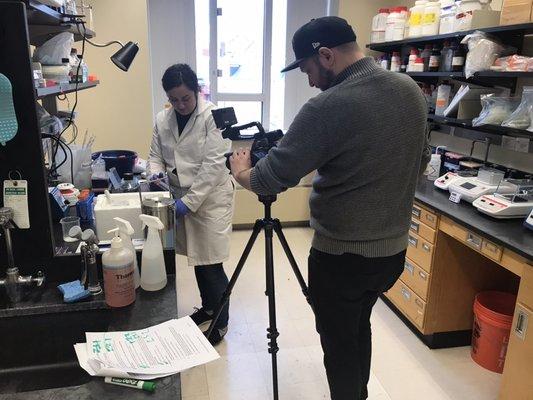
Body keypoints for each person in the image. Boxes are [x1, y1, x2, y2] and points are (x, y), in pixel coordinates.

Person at [229, 17, 430, 400]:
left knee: (339, 346)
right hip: (391, 253)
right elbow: (419, 162)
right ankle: (360, 393)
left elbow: (267, 180)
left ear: (326, 55)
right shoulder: (410, 89)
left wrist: (241, 171)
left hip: (342, 257)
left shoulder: (329, 106)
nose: (309, 80)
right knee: (358, 327)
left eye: (307, 69)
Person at [148, 64, 234, 345]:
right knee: (198, 259)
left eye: (185, 98)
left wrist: (190, 201)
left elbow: (213, 165)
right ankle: (208, 308)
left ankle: (220, 322)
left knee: (211, 263)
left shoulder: (213, 117)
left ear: (196, 91)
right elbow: (155, 155)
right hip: (178, 196)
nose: (180, 104)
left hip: (210, 200)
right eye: (174, 99)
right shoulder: (163, 119)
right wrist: (157, 177)